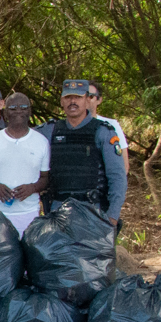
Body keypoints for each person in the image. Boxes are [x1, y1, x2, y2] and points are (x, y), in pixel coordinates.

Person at [36, 79, 127, 227]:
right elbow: (19, 138)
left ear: (87, 100)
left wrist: (112, 217)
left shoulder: (103, 131)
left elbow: (117, 177)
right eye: (68, 97)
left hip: (93, 211)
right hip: (58, 210)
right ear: (61, 101)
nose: (73, 102)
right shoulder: (50, 130)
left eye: (78, 97)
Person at [0, 92, 50, 235]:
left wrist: (32, 188)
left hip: (28, 214)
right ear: (6, 112)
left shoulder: (41, 142)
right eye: (13, 108)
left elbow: (45, 178)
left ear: (30, 111)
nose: (18, 111)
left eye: (23, 107)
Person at [86, 80, 130, 173]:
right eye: (82, 96)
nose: (86, 99)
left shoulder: (111, 125)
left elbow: (123, 166)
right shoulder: (65, 127)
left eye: (90, 96)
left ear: (99, 100)